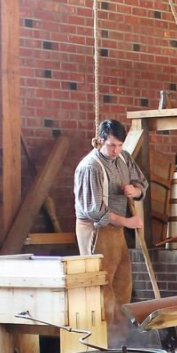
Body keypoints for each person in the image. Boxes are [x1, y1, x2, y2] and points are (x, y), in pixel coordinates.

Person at [74, 119, 149, 326]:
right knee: (102, 285)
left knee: (123, 283)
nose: (116, 150)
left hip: (117, 230)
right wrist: (128, 222)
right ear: (100, 141)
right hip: (96, 231)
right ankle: (102, 338)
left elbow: (141, 181)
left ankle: (119, 337)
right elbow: (96, 211)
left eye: (119, 145)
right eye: (111, 145)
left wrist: (135, 190)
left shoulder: (123, 158)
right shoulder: (91, 167)